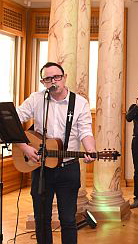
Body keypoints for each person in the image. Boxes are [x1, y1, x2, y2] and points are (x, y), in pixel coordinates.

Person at [14, 62, 96, 244]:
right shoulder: (36, 99)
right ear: (43, 81)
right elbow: (11, 122)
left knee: (68, 220)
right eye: (48, 79)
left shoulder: (80, 103)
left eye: (57, 77)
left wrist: (90, 149)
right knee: (42, 220)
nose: (53, 82)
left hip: (68, 169)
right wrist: (25, 147)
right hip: (41, 168)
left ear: (64, 77)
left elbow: (85, 132)